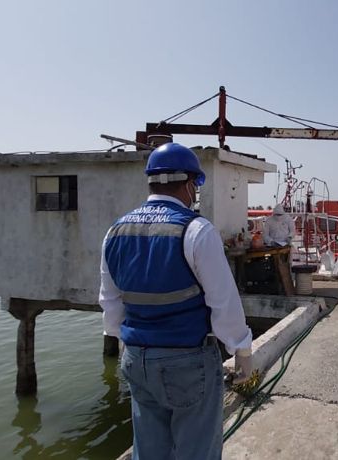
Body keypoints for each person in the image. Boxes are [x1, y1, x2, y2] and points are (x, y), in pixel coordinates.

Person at [99, 142, 254, 460]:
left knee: (149, 450)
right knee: (196, 452)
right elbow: (224, 302)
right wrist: (241, 350)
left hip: (136, 359)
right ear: (188, 184)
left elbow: (110, 303)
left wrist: (128, 342)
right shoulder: (196, 230)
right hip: (186, 361)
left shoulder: (114, 231)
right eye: (196, 185)